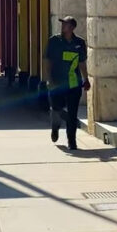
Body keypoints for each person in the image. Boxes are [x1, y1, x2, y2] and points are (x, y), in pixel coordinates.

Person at [44, 16, 90, 150]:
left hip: (73, 83)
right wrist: (48, 79)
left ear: (72, 27)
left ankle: (72, 141)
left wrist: (86, 79)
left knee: (72, 113)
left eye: (65, 24)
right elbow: (47, 60)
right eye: (62, 24)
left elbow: (82, 62)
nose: (63, 26)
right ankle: (55, 126)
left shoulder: (80, 43)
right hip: (57, 82)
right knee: (56, 108)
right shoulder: (54, 41)